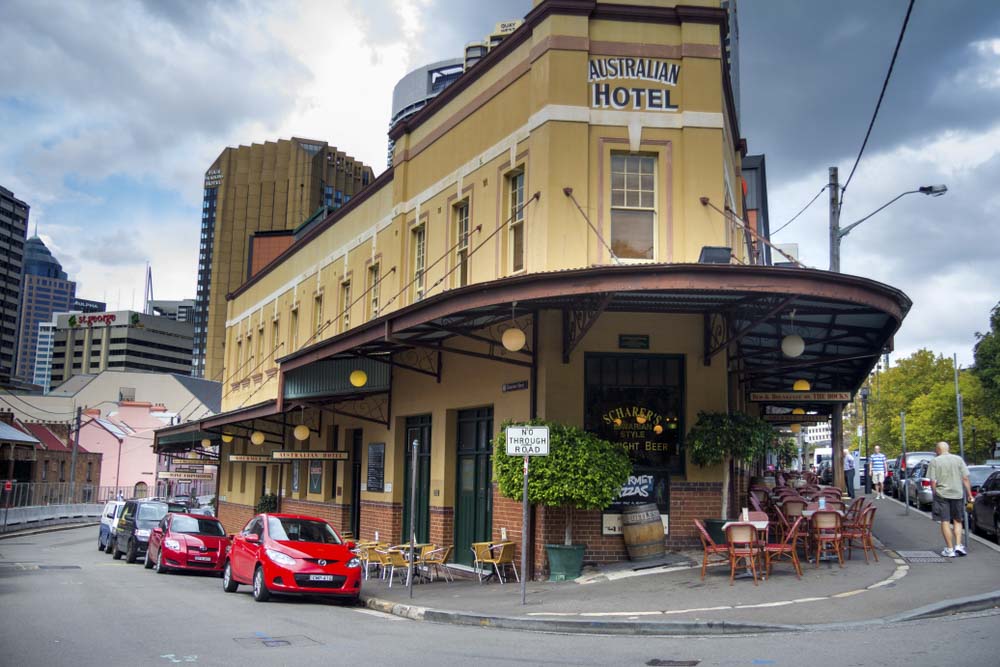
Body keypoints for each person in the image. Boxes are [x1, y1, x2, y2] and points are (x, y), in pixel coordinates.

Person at [927, 441, 972, 557]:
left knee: (945, 521)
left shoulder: (935, 461)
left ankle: (949, 549)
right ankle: (958, 545)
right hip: (957, 494)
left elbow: (933, 481)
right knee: (958, 520)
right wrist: (969, 494)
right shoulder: (958, 459)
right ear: (948, 448)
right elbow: (965, 478)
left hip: (942, 494)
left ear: (937, 450)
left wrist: (934, 492)